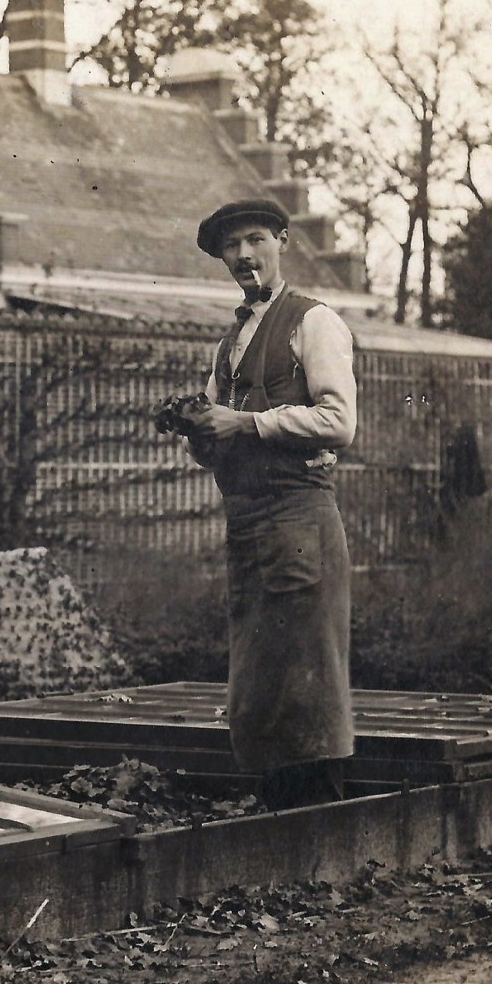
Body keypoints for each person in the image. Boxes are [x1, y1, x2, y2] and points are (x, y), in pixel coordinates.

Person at [174, 197, 358, 811]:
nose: (244, 255)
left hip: (300, 519)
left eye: (255, 239)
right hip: (248, 524)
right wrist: (197, 429)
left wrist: (247, 422)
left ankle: (320, 824)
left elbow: (339, 422)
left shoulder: (313, 321)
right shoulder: (229, 343)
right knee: (260, 679)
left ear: (282, 241)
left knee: (307, 676)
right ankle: (278, 822)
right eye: (231, 246)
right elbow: (216, 445)